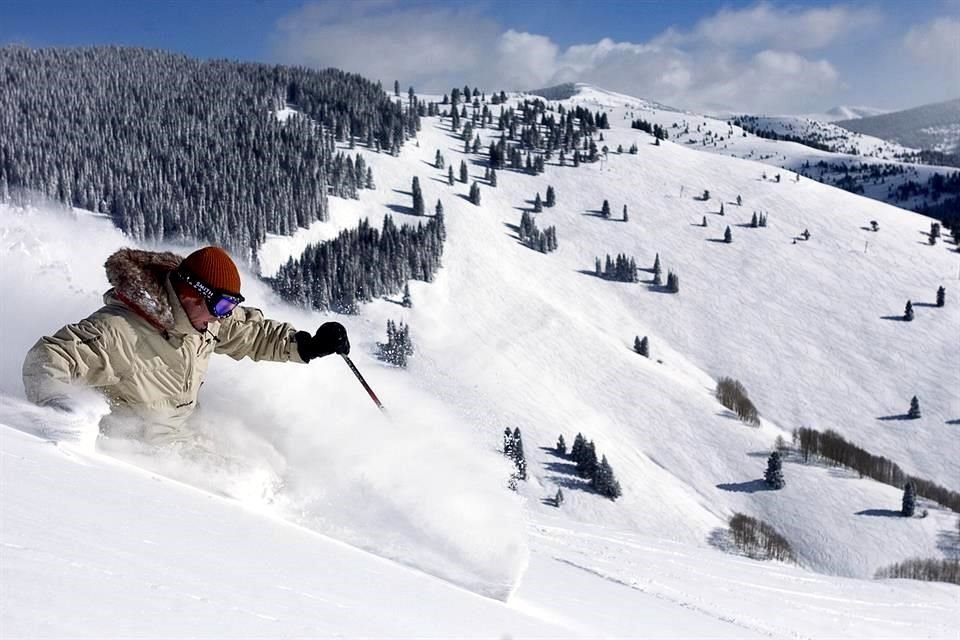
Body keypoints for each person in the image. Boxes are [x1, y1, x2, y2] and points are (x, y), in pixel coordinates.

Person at [22, 246, 349, 445]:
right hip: (139, 462)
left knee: (266, 471)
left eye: (229, 307)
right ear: (190, 294)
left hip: (180, 442)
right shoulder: (119, 332)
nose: (223, 317)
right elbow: (46, 359)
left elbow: (251, 332)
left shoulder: (200, 322)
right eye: (221, 306)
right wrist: (60, 408)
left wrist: (307, 346)